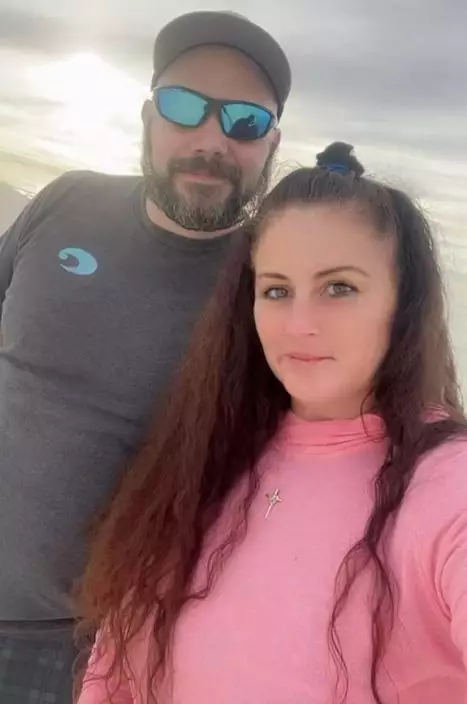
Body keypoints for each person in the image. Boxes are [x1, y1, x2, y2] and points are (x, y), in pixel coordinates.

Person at [77, 142, 467, 704]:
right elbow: (116, 658)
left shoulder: (444, 484)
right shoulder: (208, 451)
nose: (299, 324)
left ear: (402, 303)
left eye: (339, 287)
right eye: (277, 290)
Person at [0, 11, 290, 703]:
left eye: (245, 121)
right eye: (184, 106)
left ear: (271, 144)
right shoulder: (67, 200)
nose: (211, 139)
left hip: (68, 648)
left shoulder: (271, 287)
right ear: (148, 117)